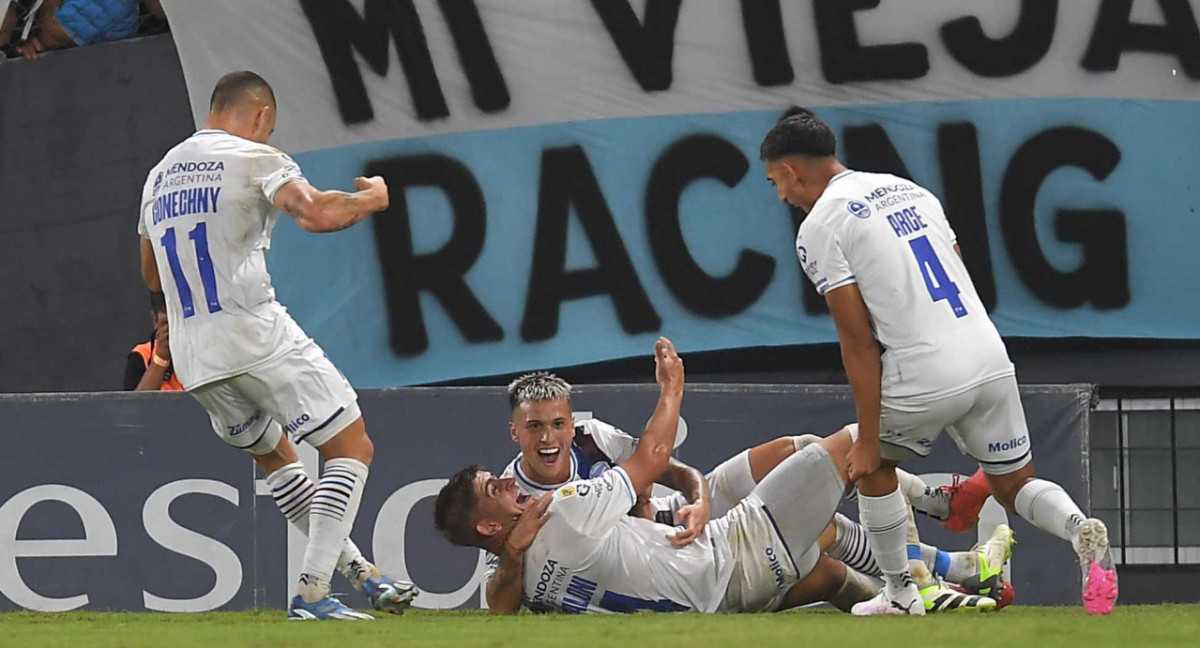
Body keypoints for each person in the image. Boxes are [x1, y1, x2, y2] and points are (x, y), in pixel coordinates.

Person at [759, 108, 1116, 615]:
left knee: (871, 464)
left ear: (792, 171)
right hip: (987, 352)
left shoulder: (819, 226)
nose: (781, 196)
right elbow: (958, 268)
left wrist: (867, 436)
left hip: (925, 366)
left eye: (777, 182)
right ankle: (1080, 527)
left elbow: (858, 342)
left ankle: (901, 593)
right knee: (1015, 485)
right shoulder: (910, 190)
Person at [436, 339, 1006, 614]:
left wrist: (701, 496)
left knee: (815, 512)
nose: (550, 438)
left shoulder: (586, 450)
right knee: (858, 443)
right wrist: (673, 388)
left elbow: (673, 471)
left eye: (557, 423)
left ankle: (938, 561)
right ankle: (925, 579)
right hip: (712, 552)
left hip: (691, 537)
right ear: (517, 432)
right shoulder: (552, 511)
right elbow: (653, 456)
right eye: (536, 427)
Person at [137, 70, 415, 620]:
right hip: (253, 330)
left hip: (195, 356)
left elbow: (150, 274)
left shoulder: (158, 177)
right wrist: (373, 202)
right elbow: (315, 212)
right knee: (351, 446)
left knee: (278, 456)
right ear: (261, 115)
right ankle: (311, 593)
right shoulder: (256, 159)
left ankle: (362, 574)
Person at [124, 291, 184, 391]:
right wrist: (161, 359)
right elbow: (134, 405)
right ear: (155, 320)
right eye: (168, 323)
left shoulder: (207, 351)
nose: (176, 330)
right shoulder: (142, 355)